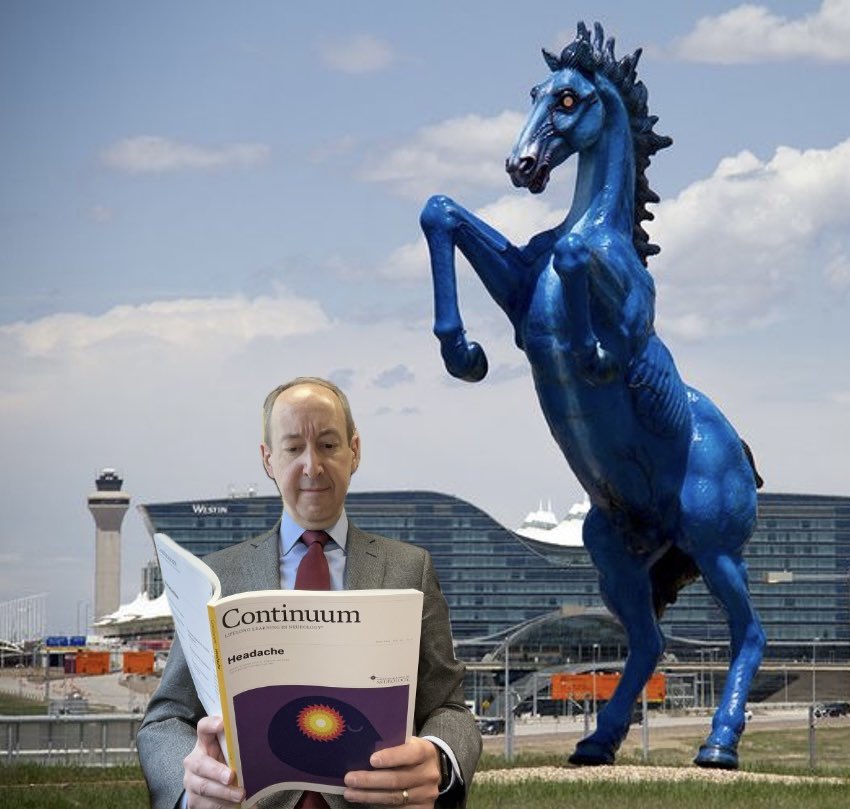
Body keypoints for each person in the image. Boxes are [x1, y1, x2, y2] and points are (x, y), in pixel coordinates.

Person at [137, 377, 481, 809]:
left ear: (355, 451)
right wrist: (192, 790)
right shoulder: (217, 576)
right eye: (293, 448)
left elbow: (449, 708)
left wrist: (440, 759)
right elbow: (166, 718)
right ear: (268, 459)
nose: (312, 466)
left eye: (329, 445)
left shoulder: (409, 568)